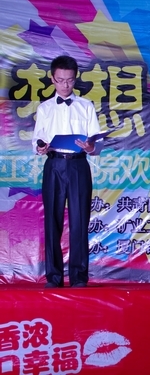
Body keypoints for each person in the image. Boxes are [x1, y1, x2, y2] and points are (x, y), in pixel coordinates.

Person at [32, 55, 103, 288]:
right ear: (52, 79)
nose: (65, 85)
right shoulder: (45, 108)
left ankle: (79, 277)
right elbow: (37, 140)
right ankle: (53, 277)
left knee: (79, 221)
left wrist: (90, 147)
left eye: (70, 80)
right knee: (52, 221)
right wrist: (40, 147)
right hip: (54, 165)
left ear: (75, 79)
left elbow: (96, 143)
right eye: (61, 80)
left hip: (78, 165)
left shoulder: (86, 106)